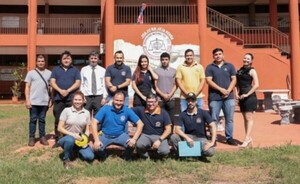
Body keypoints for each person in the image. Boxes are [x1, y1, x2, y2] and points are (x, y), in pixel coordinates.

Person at [91, 91, 144, 160]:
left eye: (121, 101)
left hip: (120, 135)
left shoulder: (127, 110)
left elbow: (140, 124)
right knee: (97, 148)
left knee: (132, 145)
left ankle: (126, 158)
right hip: (105, 135)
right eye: (116, 100)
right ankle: (103, 156)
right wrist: (97, 140)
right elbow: (93, 122)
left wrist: (134, 139)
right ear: (113, 99)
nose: (118, 103)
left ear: (124, 101)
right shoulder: (105, 108)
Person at [205, 48, 237, 146]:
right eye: (216, 54)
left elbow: (234, 79)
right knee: (213, 119)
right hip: (215, 97)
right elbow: (209, 81)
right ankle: (213, 138)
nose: (218, 56)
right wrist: (221, 90)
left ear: (223, 55)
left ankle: (229, 138)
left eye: (220, 54)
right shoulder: (210, 67)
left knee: (229, 118)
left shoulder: (230, 66)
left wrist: (228, 90)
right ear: (213, 56)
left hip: (229, 97)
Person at [170, 92, 216, 158]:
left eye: (192, 100)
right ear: (186, 102)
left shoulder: (203, 113)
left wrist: (212, 142)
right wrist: (187, 138)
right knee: (173, 137)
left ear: (196, 102)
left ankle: (197, 153)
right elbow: (177, 129)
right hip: (188, 137)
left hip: (201, 138)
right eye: (188, 101)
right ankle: (182, 154)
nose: (190, 102)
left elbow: (213, 126)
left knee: (210, 152)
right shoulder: (183, 114)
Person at [50, 50, 81, 146]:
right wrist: (60, 90)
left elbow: (78, 83)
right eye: (64, 58)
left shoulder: (75, 70)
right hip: (59, 99)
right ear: (61, 60)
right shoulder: (55, 70)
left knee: (72, 120)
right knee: (58, 119)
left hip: (71, 99)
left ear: (71, 60)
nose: (66, 60)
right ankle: (58, 139)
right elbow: (52, 82)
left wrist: (67, 90)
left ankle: (72, 138)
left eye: (68, 58)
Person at [57, 91, 94, 169]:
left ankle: (74, 151)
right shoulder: (66, 111)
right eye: (76, 99)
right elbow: (59, 128)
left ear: (84, 100)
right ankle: (66, 159)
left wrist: (85, 140)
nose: (77, 102)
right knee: (70, 140)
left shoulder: (87, 113)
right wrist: (73, 135)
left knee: (90, 157)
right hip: (66, 138)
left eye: (80, 100)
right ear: (72, 100)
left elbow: (87, 129)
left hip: (79, 139)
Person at [132, 93, 172, 159]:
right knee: (139, 145)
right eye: (148, 102)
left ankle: (155, 156)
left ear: (157, 102)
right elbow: (127, 110)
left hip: (160, 136)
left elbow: (168, 129)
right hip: (145, 135)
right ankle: (145, 157)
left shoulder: (164, 113)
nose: (150, 104)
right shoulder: (141, 110)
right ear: (146, 102)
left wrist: (159, 140)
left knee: (164, 151)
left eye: (152, 102)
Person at [24, 55, 52, 146]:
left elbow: (51, 87)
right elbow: (27, 87)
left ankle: (42, 137)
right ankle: (31, 137)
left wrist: (51, 99)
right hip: (33, 101)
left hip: (44, 101)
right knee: (33, 120)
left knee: (42, 120)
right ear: (36, 62)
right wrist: (27, 100)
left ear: (45, 62)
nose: (41, 63)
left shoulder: (49, 73)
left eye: (42, 61)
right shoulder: (31, 73)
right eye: (39, 61)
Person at [235, 53, 259, 148]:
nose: (246, 60)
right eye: (245, 58)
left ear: (251, 61)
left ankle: (246, 139)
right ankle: (248, 139)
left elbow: (257, 85)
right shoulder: (239, 71)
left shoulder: (252, 71)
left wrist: (247, 94)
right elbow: (236, 84)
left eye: (248, 59)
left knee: (249, 118)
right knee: (245, 118)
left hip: (249, 97)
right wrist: (236, 94)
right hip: (241, 97)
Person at [154, 52, 177, 123]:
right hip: (160, 99)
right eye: (163, 59)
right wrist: (163, 95)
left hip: (171, 99)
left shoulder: (174, 71)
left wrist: (170, 95)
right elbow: (155, 86)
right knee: (160, 119)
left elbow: (176, 85)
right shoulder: (156, 71)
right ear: (161, 60)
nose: (164, 61)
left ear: (169, 60)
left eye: (166, 59)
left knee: (171, 119)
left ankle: (170, 134)